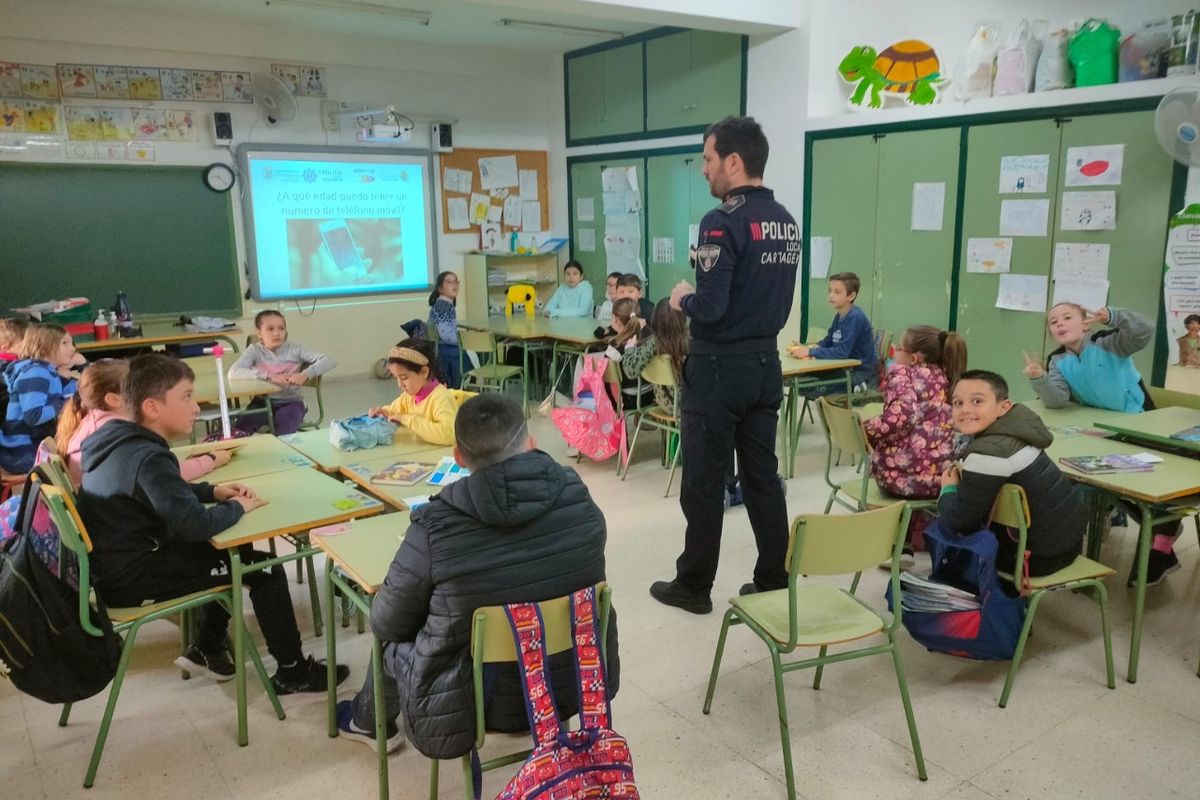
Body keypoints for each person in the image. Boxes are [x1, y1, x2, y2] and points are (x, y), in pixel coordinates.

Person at [334, 394, 618, 757]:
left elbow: (386, 622)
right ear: (531, 444)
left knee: (391, 638)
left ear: (458, 457)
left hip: (471, 703)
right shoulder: (577, 496)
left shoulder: (434, 526)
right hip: (568, 685)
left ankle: (368, 722)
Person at [77, 354, 346, 692]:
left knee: (236, 548)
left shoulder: (119, 441)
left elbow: (157, 492)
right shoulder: (149, 457)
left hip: (119, 566)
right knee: (264, 569)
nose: (195, 407)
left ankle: (207, 646)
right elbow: (195, 525)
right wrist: (236, 507)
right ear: (152, 407)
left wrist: (212, 490)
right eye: (187, 397)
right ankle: (292, 673)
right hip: (136, 580)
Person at [652, 115, 800, 613]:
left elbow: (711, 307)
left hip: (717, 372)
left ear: (733, 162)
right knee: (762, 478)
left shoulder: (722, 221)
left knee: (702, 481)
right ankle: (773, 575)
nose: (703, 170)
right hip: (764, 365)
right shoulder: (784, 218)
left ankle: (693, 587)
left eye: (708, 159)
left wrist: (682, 299)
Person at [1023, 303, 1179, 585]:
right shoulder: (1058, 360)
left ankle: (1162, 541)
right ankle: (1136, 522)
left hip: (1139, 424)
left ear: (1087, 324)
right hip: (1100, 431)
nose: (1059, 323)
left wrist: (1115, 317)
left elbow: (1145, 331)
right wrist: (1040, 379)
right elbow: (1057, 399)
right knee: (1085, 478)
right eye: (1053, 321)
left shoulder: (1110, 343)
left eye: (1067, 317)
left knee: (1154, 491)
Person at [937, 370, 1086, 577]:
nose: (965, 410)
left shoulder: (989, 453)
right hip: (1068, 543)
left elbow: (959, 521)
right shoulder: (1017, 429)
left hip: (1036, 559)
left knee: (944, 534)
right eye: (958, 403)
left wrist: (948, 489)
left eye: (977, 401)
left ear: (1004, 407)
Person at [55, 359, 230, 486]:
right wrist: (211, 460)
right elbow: (164, 475)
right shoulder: (113, 431)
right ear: (113, 399)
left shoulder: (95, 420)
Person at [864, 325, 966, 500]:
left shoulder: (903, 375)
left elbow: (899, 417)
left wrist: (864, 428)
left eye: (899, 348)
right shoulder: (949, 378)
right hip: (942, 479)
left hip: (900, 479)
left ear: (913, 358)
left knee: (881, 455)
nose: (894, 352)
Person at [227, 310, 335, 434]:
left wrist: (305, 374)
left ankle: (283, 451)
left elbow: (329, 360)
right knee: (241, 427)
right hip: (262, 402)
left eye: (281, 328)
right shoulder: (254, 350)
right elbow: (233, 372)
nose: (277, 333)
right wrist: (269, 376)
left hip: (291, 402)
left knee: (285, 427)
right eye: (270, 329)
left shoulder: (295, 349)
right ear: (259, 333)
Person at [1, 323, 86, 475]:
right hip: (20, 452)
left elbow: (74, 391)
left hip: (30, 447)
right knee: (79, 462)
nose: (72, 349)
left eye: (71, 343)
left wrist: (82, 367)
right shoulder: (36, 372)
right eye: (64, 343)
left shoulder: (49, 371)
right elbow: (34, 416)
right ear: (45, 346)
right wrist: (62, 404)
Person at [789, 272, 877, 391]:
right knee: (800, 380)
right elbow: (829, 341)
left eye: (837, 292)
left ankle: (857, 388)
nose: (831, 295)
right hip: (843, 369)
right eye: (830, 291)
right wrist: (808, 347)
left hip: (857, 374)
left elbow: (842, 352)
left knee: (806, 387)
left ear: (851, 296)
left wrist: (810, 352)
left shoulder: (855, 317)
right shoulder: (839, 316)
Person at [368, 338, 458, 446]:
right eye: (396, 377)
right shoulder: (408, 397)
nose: (400, 384)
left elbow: (449, 435)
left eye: (404, 377)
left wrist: (409, 420)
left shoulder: (441, 398)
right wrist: (383, 412)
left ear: (424, 372)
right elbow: (395, 412)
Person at [617, 297, 688, 412]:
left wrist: (629, 349)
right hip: (692, 403)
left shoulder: (654, 343)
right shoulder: (691, 341)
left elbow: (631, 371)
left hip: (666, 403)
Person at [427, 270, 462, 389]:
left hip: (441, 348)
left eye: (456, 282)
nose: (454, 284)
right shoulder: (443, 306)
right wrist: (463, 340)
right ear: (440, 289)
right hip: (445, 350)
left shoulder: (444, 304)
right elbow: (446, 335)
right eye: (448, 282)